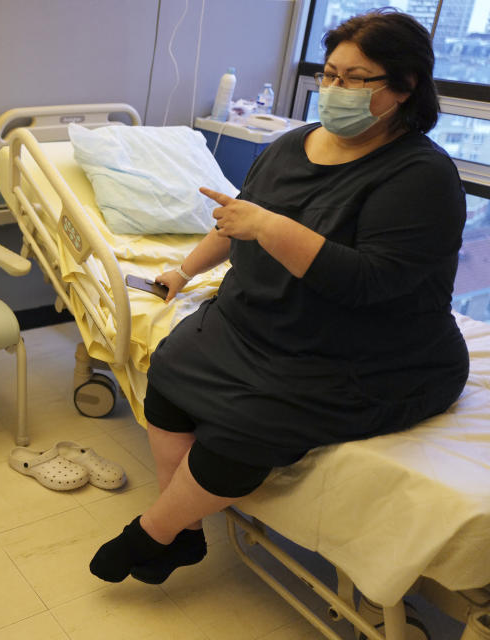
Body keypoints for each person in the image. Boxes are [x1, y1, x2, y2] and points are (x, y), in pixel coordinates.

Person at [90, 9, 469, 584]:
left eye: (355, 78)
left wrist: (270, 227)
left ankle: (154, 531)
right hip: (259, 323)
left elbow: (367, 283)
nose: (335, 90)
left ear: (404, 85)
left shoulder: (421, 176)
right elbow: (235, 219)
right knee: (168, 370)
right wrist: (183, 271)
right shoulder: (293, 145)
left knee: (243, 428)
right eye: (330, 74)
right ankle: (186, 535)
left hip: (368, 353)